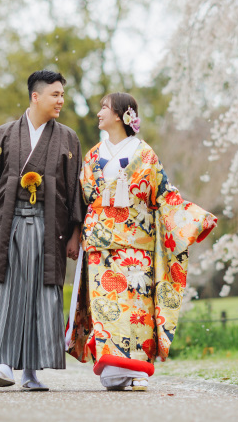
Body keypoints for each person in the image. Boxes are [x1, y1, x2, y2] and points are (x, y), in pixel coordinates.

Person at [64, 92, 217, 391]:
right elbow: (81, 201)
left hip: (135, 243)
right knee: (106, 308)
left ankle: (137, 370)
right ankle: (112, 369)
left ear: (121, 115)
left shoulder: (145, 154)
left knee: (136, 308)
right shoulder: (93, 155)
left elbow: (165, 195)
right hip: (99, 244)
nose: (99, 113)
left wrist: (193, 218)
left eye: (104, 108)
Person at [0, 70, 83, 391]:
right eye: (55, 95)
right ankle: (2, 365)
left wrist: (74, 234)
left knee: (41, 296)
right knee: (6, 291)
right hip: (8, 224)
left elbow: (74, 192)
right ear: (35, 96)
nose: (61, 101)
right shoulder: (4, 134)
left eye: (62, 95)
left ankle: (31, 372)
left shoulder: (68, 139)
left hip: (49, 227)